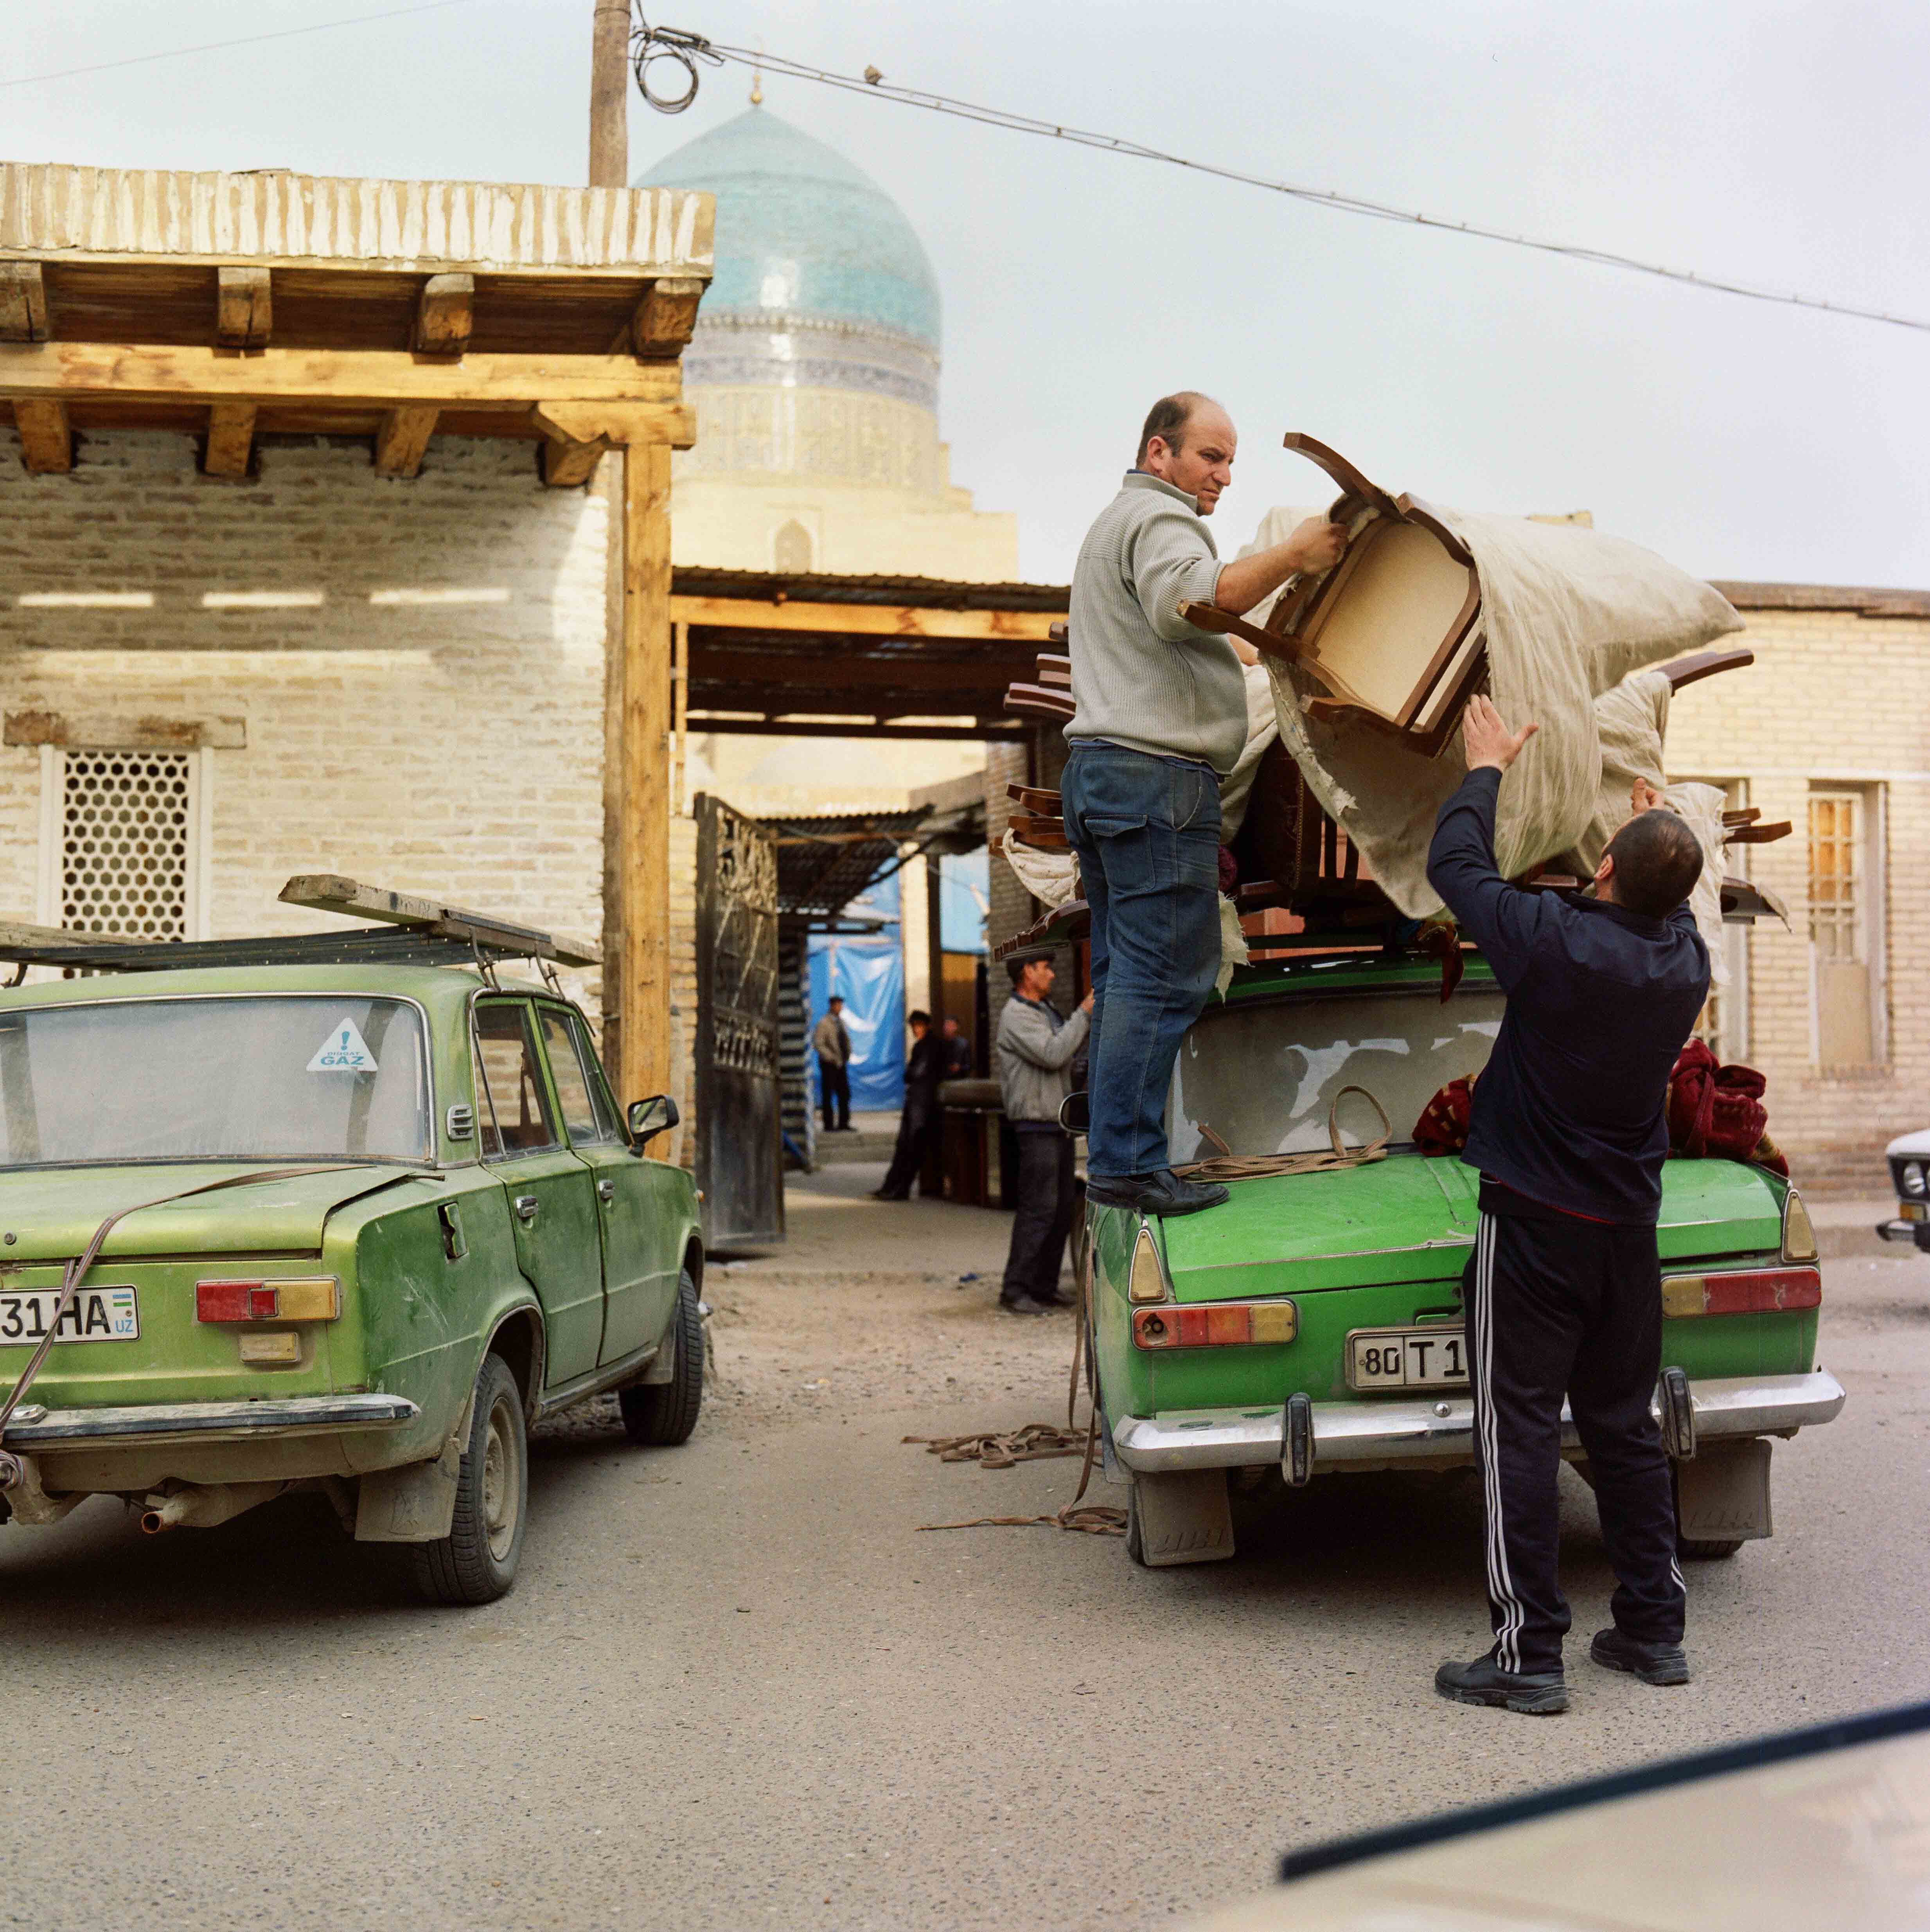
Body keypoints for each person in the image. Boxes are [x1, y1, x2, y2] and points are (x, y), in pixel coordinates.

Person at [1426, 694, 1711, 1717]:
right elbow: (1667, 890)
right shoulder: (1683, 960)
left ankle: (1525, 1655)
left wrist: (1486, 767)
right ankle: (1649, 1630)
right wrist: (1653, 821)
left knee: (1515, 1428)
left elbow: (1453, 869)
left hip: (1534, 1227)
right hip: (1624, 1231)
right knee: (1623, 1426)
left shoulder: (1550, 941)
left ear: (1599, 872)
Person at [1062, 391, 1347, 1218]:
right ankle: (1126, 1164)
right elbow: (1192, 599)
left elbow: (1182, 630)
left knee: (1126, 979)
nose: (1222, 476)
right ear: (1160, 454)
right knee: (1166, 978)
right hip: (1153, 783)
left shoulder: (1114, 525)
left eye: (1229, 462)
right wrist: (1294, 554)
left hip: (1107, 776)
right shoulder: (1161, 521)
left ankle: (1119, 1155)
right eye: (1210, 457)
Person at [994, 948, 1092, 1315]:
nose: (1051, 974)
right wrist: (1084, 1013)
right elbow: (1053, 1054)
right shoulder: (1017, 1016)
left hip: (1056, 1123)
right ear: (1027, 974)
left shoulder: (1043, 1011)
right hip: (1036, 1125)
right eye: (1045, 968)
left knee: (1062, 1207)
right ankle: (1015, 1288)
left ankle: (1043, 1286)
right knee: (1040, 1208)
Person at [873, 1010, 943, 1200]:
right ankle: (893, 1186)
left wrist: (910, 1073)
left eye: (918, 1026)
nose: (915, 1030)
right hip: (919, 1102)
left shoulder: (927, 1047)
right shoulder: (927, 1045)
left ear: (926, 1026)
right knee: (906, 1146)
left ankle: (899, 1188)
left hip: (921, 1104)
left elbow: (914, 1073)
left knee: (910, 1147)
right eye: (914, 1026)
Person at [812, 995, 852, 1133]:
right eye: (837, 1005)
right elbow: (818, 1043)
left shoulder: (841, 1022)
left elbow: (845, 1040)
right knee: (828, 1094)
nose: (839, 1007)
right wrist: (830, 1057)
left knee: (844, 1093)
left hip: (841, 1063)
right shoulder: (824, 1023)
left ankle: (844, 1123)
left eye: (841, 1005)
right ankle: (828, 1125)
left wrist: (847, 1054)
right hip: (829, 1064)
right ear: (831, 1006)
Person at [940, 1015, 973, 1081]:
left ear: (956, 1028)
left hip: (960, 1080)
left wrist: (959, 1068)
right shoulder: (939, 1044)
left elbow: (969, 1066)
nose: (947, 1028)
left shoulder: (964, 1044)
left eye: (950, 1026)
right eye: (946, 1025)